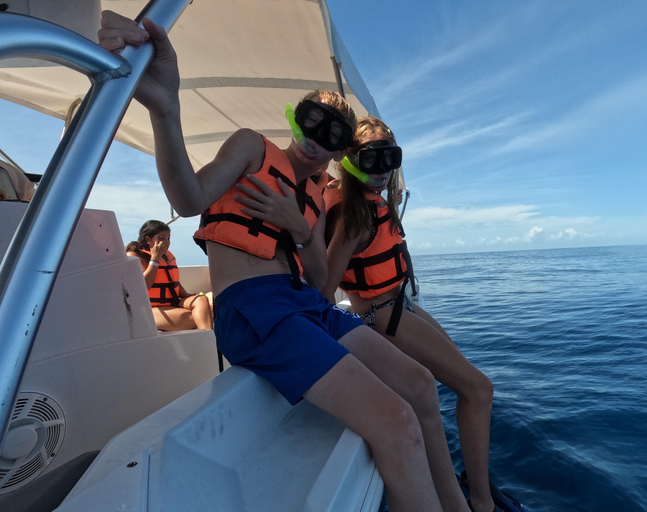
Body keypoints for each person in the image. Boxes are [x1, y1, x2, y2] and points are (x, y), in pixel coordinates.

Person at [99, 12, 470, 512]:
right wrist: (165, 108)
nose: (319, 139)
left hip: (304, 306)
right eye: (312, 122)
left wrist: (297, 226)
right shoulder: (253, 147)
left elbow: (320, 283)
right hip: (255, 309)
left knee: (421, 387)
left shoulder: (317, 197)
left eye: (335, 135)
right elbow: (188, 198)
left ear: (343, 150)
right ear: (296, 119)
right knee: (395, 421)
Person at [320, 116, 497, 512]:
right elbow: (324, 286)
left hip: (401, 305)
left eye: (390, 157)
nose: (382, 169)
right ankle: (478, 503)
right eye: (370, 159)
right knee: (479, 389)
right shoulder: (351, 214)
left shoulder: (374, 202)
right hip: (383, 315)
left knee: (468, 383)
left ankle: (465, 483)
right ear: (348, 160)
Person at [125, 220, 213, 331]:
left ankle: (210, 341)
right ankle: (210, 343)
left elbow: (172, 281)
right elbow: (143, 286)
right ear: (148, 239)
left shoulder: (166, 256)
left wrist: (186, 294)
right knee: (196, 318)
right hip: (148, 309)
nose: (167, 242)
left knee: (201, 300)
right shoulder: (135, 256)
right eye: (161, 238)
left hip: (172, 303)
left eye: (168, 238)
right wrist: (155, 260)